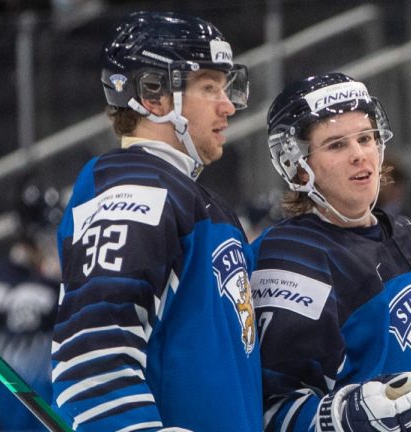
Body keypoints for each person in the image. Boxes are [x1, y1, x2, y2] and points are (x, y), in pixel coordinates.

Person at [51, 11, 261, 432]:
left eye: (225, 87)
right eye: (208, 87)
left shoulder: (192, 198)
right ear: (154, 95)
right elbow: (92, 358)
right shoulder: (134, 189)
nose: (228, 105)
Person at [250, 72, 411, 431]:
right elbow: (267, 409)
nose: (360, 155)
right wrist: (342, 416)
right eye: (336, 145)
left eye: (366, 138)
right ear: (297, 167)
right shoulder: (288, 261)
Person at [0, 180, 64, 431]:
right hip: (8, 410)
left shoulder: (59, 277)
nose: (51, 240)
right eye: (45, 232)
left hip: (52, 406)